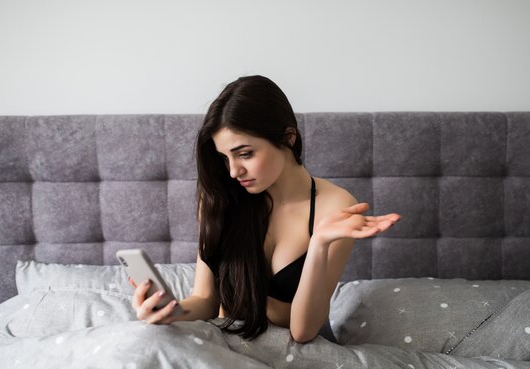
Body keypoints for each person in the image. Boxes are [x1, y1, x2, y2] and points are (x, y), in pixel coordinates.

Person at [129, 75, 400, 343]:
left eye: (245, 154)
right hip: (235, 345)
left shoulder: (336, 206)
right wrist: (171, 313)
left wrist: (319, 243)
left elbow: (303, 331)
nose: (234, 171)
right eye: (225, 158)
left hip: (305, 353)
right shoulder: (220, 200)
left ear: (288, 138)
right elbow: (205, 301)